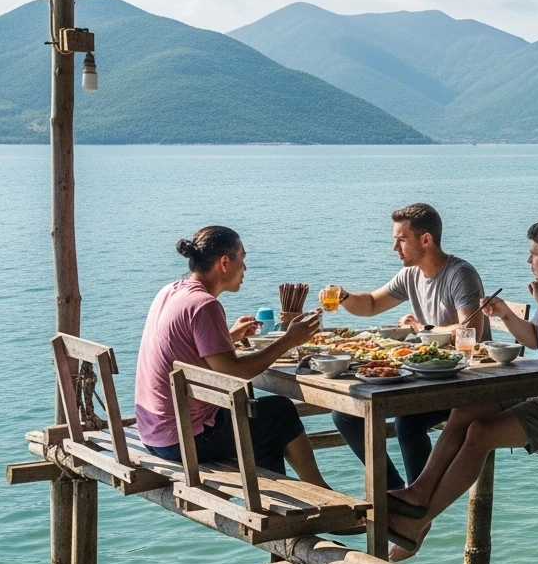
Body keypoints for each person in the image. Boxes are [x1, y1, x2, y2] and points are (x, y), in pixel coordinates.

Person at [382, 217, 538, 560]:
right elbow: (536, 340)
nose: (527, 261)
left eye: (532, 255)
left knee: (481, 433)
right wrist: (504, 314)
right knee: (467, 408)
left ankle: (419, 523)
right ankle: (418, 492)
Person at [134, 226, 328, 486]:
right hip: (184, 440)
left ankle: (279, 495)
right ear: (225, 262)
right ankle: (318, 491)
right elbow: (234, 373)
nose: (245, 267)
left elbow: (182, 343)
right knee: (280, 411)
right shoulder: (205, 305)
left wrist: (230, 336)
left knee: (262, 422)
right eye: (242, 258)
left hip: (153, 433)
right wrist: (288, 340)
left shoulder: (171, 291)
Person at [323, 203, 489, 491]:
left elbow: (471, 331)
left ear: (426, 239)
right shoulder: (411, 274)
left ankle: (419, 500)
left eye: (401, 239)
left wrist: (422, 329)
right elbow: (373, 303)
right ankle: (395, 490)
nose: (394, 247)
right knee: (345, 414)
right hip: (423, 373)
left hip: (460, 379)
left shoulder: (459, 274)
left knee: (408, 421)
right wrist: (346, 296)